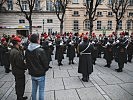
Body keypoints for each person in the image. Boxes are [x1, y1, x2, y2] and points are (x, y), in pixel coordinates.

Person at [25, 34, 49, 100]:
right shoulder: (40, 50)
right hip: (40, 73)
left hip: (32, 73)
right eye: (38, 39)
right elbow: (45, 63)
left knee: (34, 89)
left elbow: (27, 62)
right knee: (41, 90)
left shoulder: (27, 49)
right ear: (37, 40)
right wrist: (45, 69)